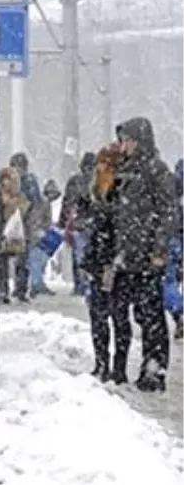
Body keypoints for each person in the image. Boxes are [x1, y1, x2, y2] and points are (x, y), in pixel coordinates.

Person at [112, 117, 175, 392]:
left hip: (148, 257)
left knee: (151, 316)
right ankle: (122, 366)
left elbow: (167, 213)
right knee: (123, 312)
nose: (122, 145)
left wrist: (159, 249)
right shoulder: (121, 171)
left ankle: (154, 368)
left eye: (127, 139)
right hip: (125, 257)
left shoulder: (157, 171)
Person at [83, 144, 132, 384]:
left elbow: (121, 228)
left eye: (106, 164)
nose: (101, 168)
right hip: (98, 260)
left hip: (115, 262)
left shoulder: (122, 193)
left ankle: (118, 366)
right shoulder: (94, 191)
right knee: (98, 316)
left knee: (119, 315)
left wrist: (115, 259)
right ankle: (101, 362)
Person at [10, 153, 53, 297]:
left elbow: (36, 202)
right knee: (15, 257)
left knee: (23, 257)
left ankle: (21, 287)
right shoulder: (11, 181)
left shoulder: (28, 181)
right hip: (15, 223)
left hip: (25, 224)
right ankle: (17, 286)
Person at [61, 152, 97, 296]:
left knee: (78, 256)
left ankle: (79, 284)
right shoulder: (97, 180)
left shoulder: (74, 181)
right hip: (93, 224)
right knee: (91, 254)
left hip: (78, 224)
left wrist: (63, 221)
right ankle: (89, 282)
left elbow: (67, 202)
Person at [0, 167, 31, 304]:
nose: (7, 183)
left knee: (22, 263)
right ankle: (3, 291)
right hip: (3, 233)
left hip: (18, 234)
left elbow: (27, 213)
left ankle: (20, 290)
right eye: (5, 180)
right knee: (2, 263)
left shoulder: (21, 197)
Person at [166, 159, 184, 339]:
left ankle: (179, 312)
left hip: (174, 236)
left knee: (169, 280)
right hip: (175, 235)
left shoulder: (172, 183)